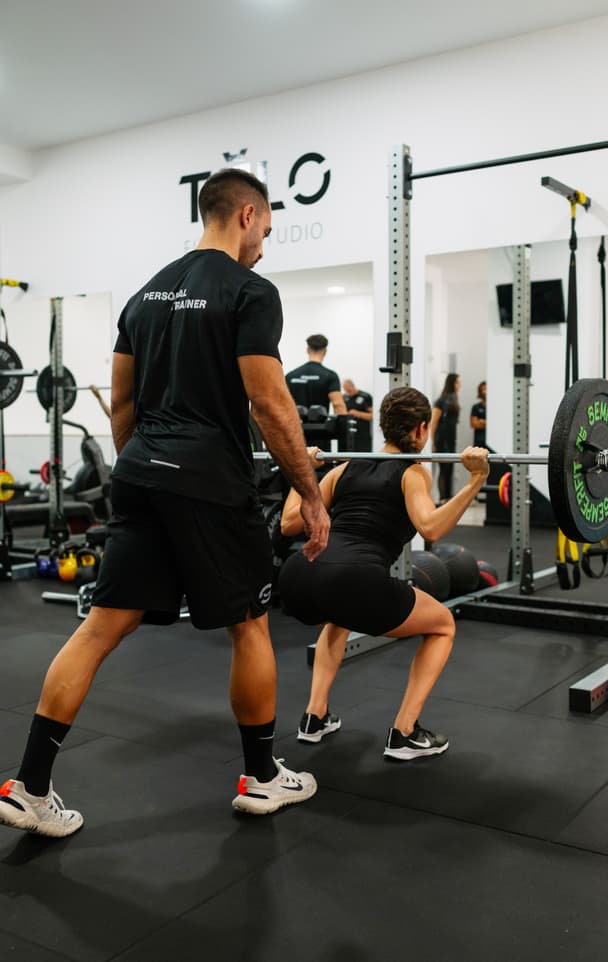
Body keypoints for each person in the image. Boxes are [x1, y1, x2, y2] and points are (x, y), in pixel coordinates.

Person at [0, 169, 330, 837]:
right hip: (211, 482)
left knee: (99, 628)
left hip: (140, 474)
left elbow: (122, 403)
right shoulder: (249, 291)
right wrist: (310, 493)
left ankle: (29, 785)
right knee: (250, 625)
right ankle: (263, 777)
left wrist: (143, 469)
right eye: (265, 230)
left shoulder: (145, 296)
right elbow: (268, 401)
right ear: (245, 214)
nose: (264, 245)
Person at [278, 386, 489, 759]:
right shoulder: (413, 473)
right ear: (421, 429)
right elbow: (431, 528)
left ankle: (315, 716)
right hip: (355, 578)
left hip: (298, 576)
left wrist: (303, 474)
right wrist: (476, 480)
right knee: (442, 625)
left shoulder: (342, 470)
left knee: (338, 618)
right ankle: (405, 733)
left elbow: (290, 524)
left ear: (384, 427)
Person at [285, 335, 347, 445]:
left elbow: (283, 404)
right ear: (325, 351)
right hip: (321, 434)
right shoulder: (330, 375)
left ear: (308, 350)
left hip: (296, 433)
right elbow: (338, 404)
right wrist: (344, 434)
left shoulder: (291, 376)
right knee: (320, 461)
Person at [430, 373, 461, 504]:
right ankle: (443, 498)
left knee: (449, 469)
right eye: (458, 382)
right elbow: (434, 422)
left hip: (451, 438)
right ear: (452, 383)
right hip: (442, 439)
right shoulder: (441, 400)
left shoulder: (454, 398)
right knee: (444, 469)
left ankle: (448, 497)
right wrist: (432, 442)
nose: (460, 385)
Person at [342, 378, 373, 450]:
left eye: (349, 390)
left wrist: (358, 413)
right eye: (346, 391)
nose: (348, 393)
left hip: (363, 436)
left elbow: (372, 416)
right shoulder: (343, 397)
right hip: (348, 436)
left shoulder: (365, 397)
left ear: (353, 386)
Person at [470, 381, 487, 448]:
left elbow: (497, 424)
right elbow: (473, 424)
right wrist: (489, 423)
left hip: (493, 444)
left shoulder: (495, 407)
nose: (484, 392)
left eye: (486, 389)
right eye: (482, 389)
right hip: (479, 442)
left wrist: (481, 421)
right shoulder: (476, 407)